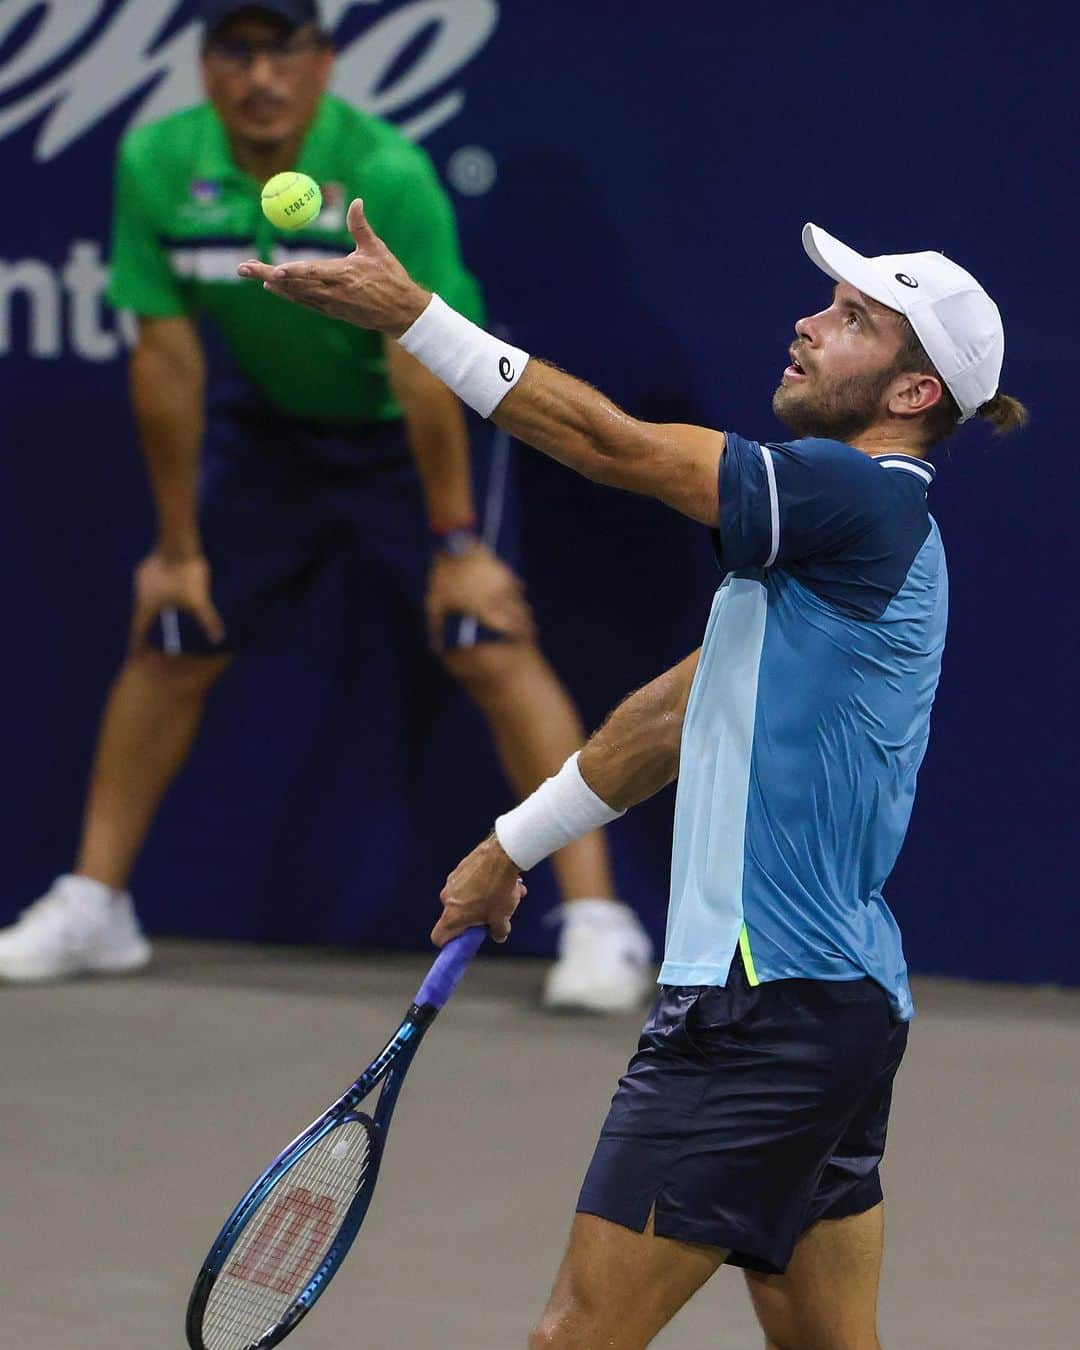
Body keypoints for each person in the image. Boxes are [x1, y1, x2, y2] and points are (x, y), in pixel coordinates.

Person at [235, 204, 1026, 1345]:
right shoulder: (835, 550)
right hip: (838, 1005)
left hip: (758, 1010)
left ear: (913, 395)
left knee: (575, 1339)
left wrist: (414, 318)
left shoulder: (854, 497)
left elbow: (610, 443)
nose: (808, 323)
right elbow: (674, 712)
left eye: (853, 320)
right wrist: (515, 844)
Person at [0, 0, 654, 1014]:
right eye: (235, 52)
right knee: (174, 633)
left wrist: (453, 542)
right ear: (205, 66)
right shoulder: (157, 163)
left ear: (325, 62)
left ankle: (599, 922)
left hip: (412, 427)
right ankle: (96, 903)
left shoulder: (384, 173)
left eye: (283, 51)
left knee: (486, 637)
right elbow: (166, 357)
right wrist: (176, 547)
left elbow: (423, 367)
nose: (260, 77)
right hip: (270, 435)